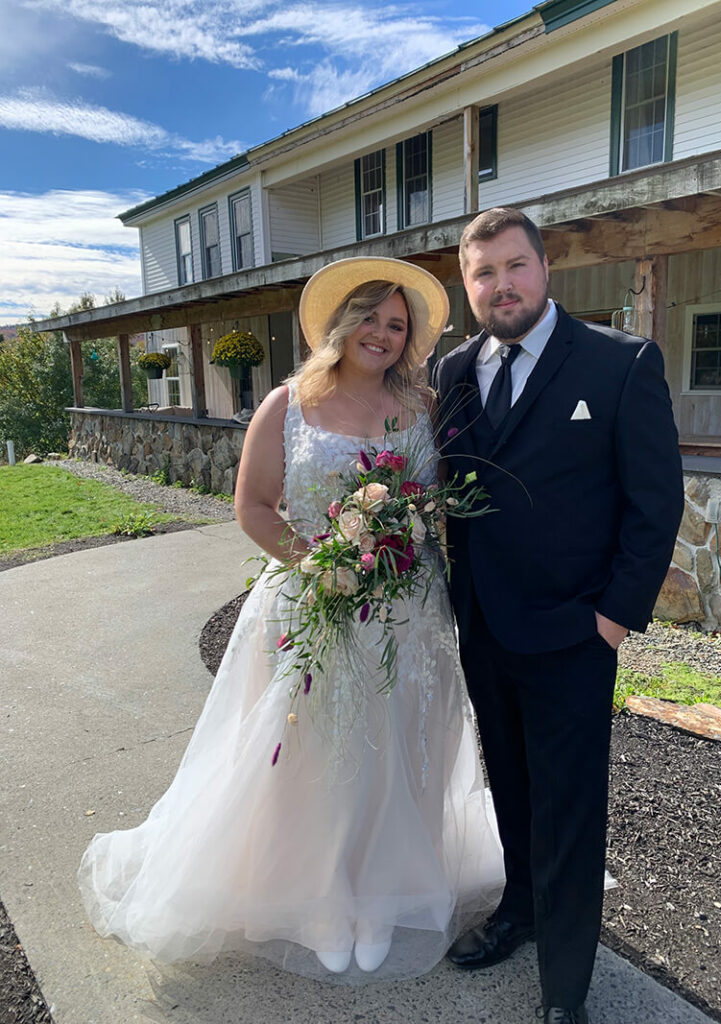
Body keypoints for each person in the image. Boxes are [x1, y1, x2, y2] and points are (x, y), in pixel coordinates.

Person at [78, 256, 504, 983]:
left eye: (397, 325)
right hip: (312, 604)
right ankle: (317, 901)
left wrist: (402, 544)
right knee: (313, 758)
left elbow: (435, 506)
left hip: (408, 612)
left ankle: (378, 895)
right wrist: (325, 562)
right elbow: (252, 507)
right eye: (369, 316)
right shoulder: (289, 403)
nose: (381, 333)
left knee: (397, 750)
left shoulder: (424, 409)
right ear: (341, 323)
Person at [434, 208, 684, 1024]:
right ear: (468, 286)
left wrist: (613, 620)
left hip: (575, 636)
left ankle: (565, 988)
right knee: (509, 786)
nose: (499, 284)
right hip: (486, 629)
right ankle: (521, 910)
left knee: (571, 810)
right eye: (483, 273)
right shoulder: (455, 372)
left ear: (545, 269)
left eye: (514, 266)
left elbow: (655, 504)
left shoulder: (620, 363)